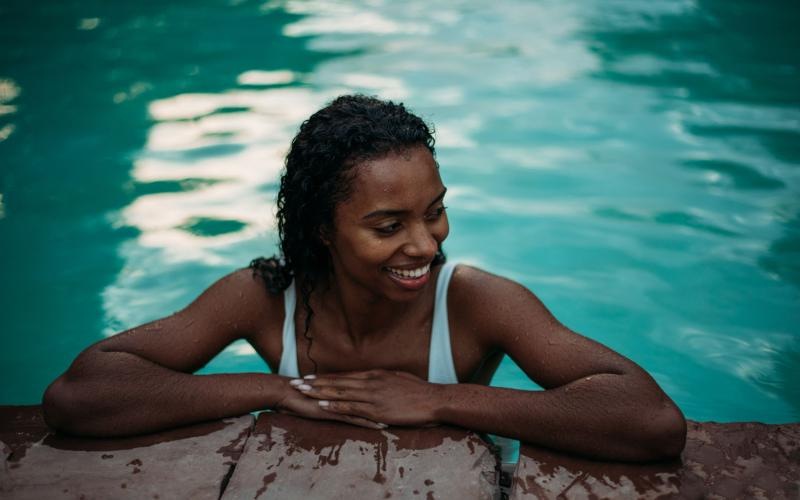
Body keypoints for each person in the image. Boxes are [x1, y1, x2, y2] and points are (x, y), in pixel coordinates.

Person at [42, 95, 686, 462]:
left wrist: (439, 399)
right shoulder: (265, 297)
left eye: (434, 212)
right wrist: (276, 388)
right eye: (387, 226)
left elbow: (651, 420)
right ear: (323, 228)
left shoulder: (476, 302)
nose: (424, 244)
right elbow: (80, 396)